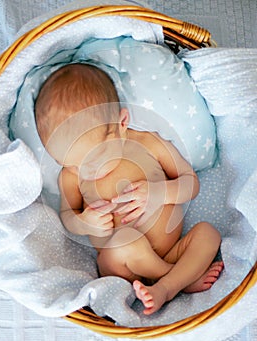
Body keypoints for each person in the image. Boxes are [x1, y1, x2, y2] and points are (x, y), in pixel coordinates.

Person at [35, 63, 224, 315]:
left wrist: (159, 192)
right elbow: (67, 216)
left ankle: (166, 285)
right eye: (69, 163)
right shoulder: (70, 175)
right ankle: (177, 280)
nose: (85, 170)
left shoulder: (148, 143)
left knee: (208, 234)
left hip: (172, 250)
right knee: (125, 240)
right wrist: (84, 222)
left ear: (121, 124)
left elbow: (191, 184)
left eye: (93, 159)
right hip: (121, 263)